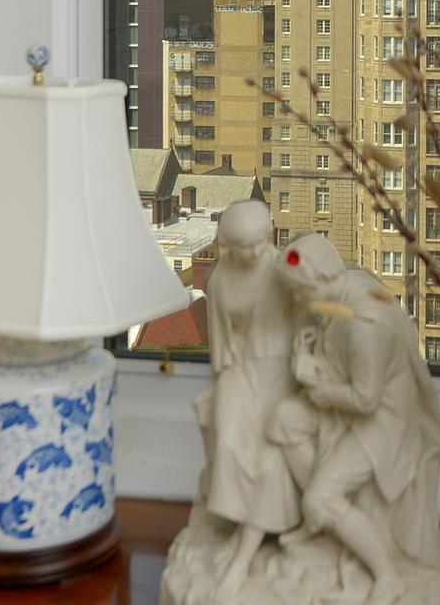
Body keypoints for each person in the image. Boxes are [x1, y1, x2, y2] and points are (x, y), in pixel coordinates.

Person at [269, 234, 440, 605]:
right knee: (284, 419)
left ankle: (385, 575)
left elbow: (366, 399)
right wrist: (310, 355)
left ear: (316, 280)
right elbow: (342, 361)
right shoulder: (346, 290)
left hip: (380, 426)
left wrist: (317, 387)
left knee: (321, 498)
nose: (299, 301)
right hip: (347, 404)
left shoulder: (363, 320)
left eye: (300, 292)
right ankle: (324, 525)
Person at [196, 200, 301, 596]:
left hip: (283, 369)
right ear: (229, 247)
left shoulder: (285, 268)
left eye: (261, 242)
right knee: (228, 442)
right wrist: (222, 386)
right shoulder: (221, 280)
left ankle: (244, 556)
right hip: (240, 369)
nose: (256, 253)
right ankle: (241, 527)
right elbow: (221, 345)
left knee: (271, 454)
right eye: (245, 247)